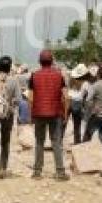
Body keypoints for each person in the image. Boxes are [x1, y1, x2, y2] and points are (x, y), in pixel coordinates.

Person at [28, 50, 69, 181]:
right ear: (52, 61)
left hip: (39, 112)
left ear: (40, 62)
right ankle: (60, 171)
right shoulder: (59, 75)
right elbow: (66, 97)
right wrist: (66, 114)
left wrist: (31, 115)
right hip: (55, 113)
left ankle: (37, 172)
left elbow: (30, 98)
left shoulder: (34, 75)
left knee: (39, 142)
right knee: (56, 142)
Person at [0, 55, 20, 179]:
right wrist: (10, 106)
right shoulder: (14, 80)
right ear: (9, 67)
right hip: (7, 115)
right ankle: (4, 167)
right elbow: (18, 99)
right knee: (5, 142)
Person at [67, 64, 89, 145]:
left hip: (69, 100)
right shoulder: (85, 82)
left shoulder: (71, 79)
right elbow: (87, 94)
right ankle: (77, 142)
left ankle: (58, 141)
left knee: (63, 123)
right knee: (77, 125)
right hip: (78, 102)